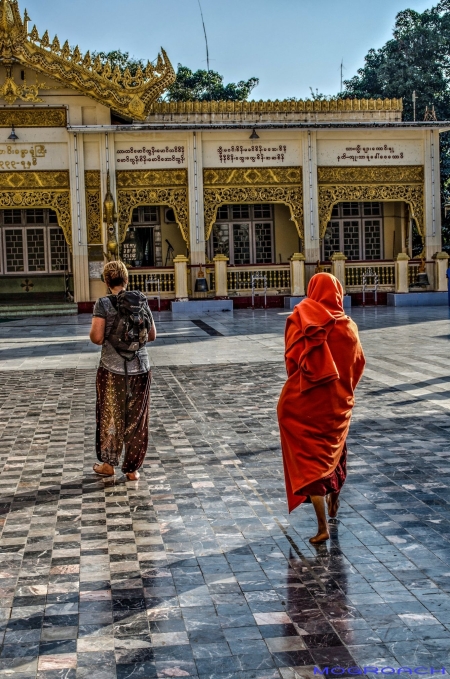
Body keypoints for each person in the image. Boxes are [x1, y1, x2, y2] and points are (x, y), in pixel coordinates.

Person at [277, 272, 365, 543]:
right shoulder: (349, 327)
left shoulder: (302, 317)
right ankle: (334, 499)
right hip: (338, 404)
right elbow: (358, 364)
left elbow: (293, 364)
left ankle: (321, 527)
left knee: (310, 461)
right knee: (335, 453)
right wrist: (343, 391)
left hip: (306, 403)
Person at [89, 260, 156, 481]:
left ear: (107, 282)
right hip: (141, 369)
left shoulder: (103, 303)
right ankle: (132, 469)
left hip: (112, 370)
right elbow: (152, 335)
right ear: (127, 279)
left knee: (111, 416)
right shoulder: (141, 301)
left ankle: (109, 464)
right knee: (137, 418)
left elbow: (97, 338)